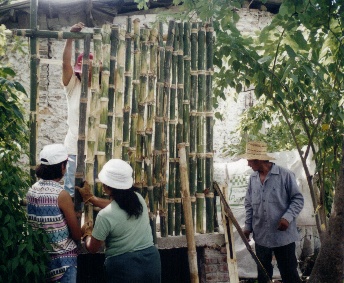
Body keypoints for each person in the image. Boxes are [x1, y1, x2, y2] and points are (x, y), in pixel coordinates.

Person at [76, 159, 161, 283]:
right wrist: (91, 199)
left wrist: (87, 234)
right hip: (151, 261)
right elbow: (116, 206)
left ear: (106, 186)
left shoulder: (105, 216)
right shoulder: (138, 199)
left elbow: (93, 248)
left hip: (124, 268)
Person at [239, 141, 304, 283]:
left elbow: (298, 199)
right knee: (263, 276)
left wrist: (287, 217)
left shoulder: (285, 175)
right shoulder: (253, 179)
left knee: (289, 274)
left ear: (260, 160)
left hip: (283, 237)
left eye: (250, 160)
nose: (248, 164)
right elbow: (249, 205)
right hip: (261, 236)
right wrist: (247, 228)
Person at [26, 144, 83, 282]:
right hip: (63, 262)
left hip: (39, 259)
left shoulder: (32, 190)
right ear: (62, 167)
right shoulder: (61, 195)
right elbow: (76, 234)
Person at [62, 22, 93, 196]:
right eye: (81, 70)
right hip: (73, 149)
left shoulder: (101, 89)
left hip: (96, 151)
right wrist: (70, 38)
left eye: (87, 70)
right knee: (71, 192)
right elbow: (65, 64)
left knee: (93, 193)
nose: (83, 73)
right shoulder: (73, 85)